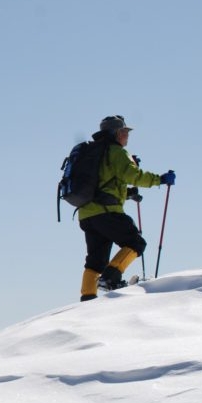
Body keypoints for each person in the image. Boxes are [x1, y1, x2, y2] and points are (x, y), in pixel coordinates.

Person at [78, 115, 176, 301]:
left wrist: (128, 194)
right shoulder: (116, 152)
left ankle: (88, 297)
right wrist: (160, 180)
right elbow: (133, 175)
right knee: (135, 243)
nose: (127, 136)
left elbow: (104, 184)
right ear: (116, 133)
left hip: (87, 214)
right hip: (107, 212)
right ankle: (110, 278)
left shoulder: (95, 153)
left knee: (95, 260)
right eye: (124, 132)